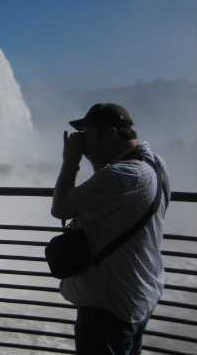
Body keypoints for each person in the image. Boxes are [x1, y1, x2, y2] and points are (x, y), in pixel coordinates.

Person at [51, 103, 170, 355]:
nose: (83, 144)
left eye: (88, 135)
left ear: (109, 133)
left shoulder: (125, 176)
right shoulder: (156, 165)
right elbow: (109, 195)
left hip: (109, 305)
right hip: (136, 295)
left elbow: (60, 208)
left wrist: (70, 161)